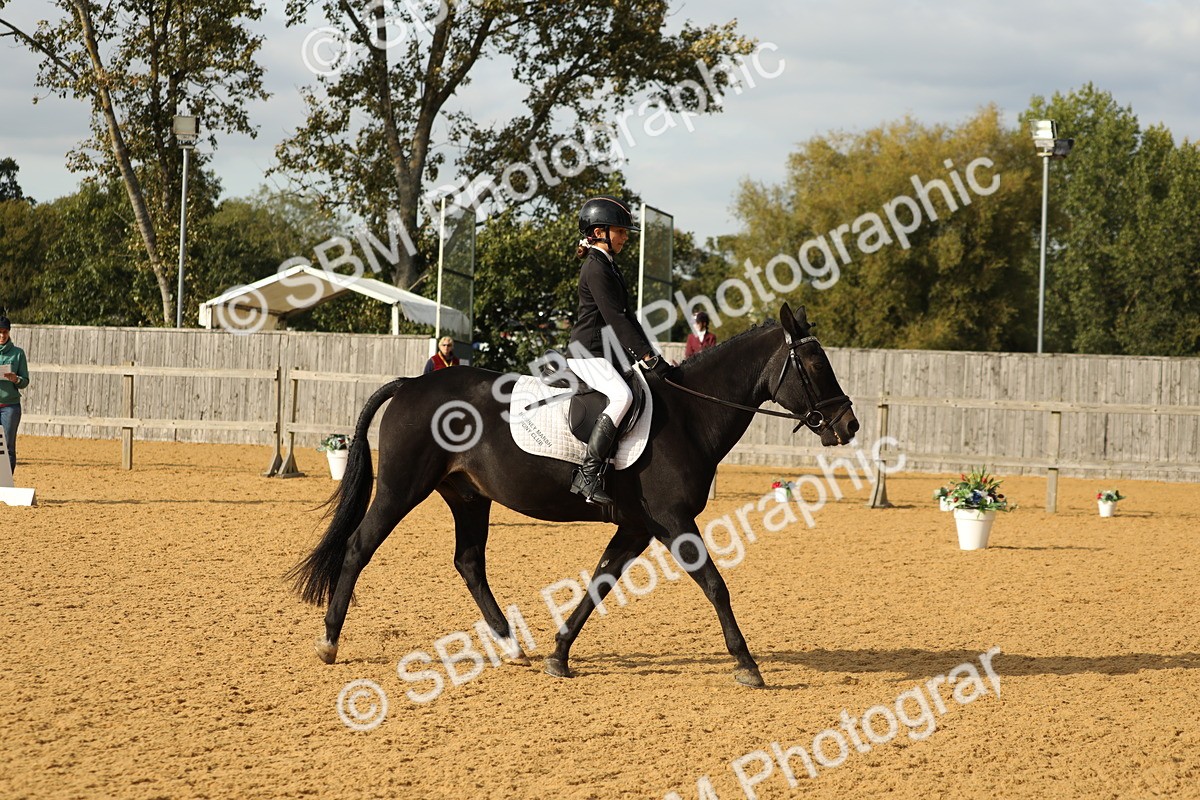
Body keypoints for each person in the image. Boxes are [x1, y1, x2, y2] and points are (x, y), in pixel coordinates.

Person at [567, 195, 672, 506]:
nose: (626, 237)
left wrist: (651, 355)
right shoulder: (596, 268)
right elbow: (615, 318)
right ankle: (588, 474)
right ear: (600, 232)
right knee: (622, 397)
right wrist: (647, 356)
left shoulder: (608, 265)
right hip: (587, 351)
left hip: (607, 353)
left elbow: (628, 317)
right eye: (621, 231)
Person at [0, 316, 30, 475]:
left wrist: (16, 379)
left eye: (5, 332)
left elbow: (25, 381)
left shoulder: (18, 354)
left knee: (8, 446)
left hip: (10, 407)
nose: (2, 335)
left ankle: (5, 484)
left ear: (9, 332)